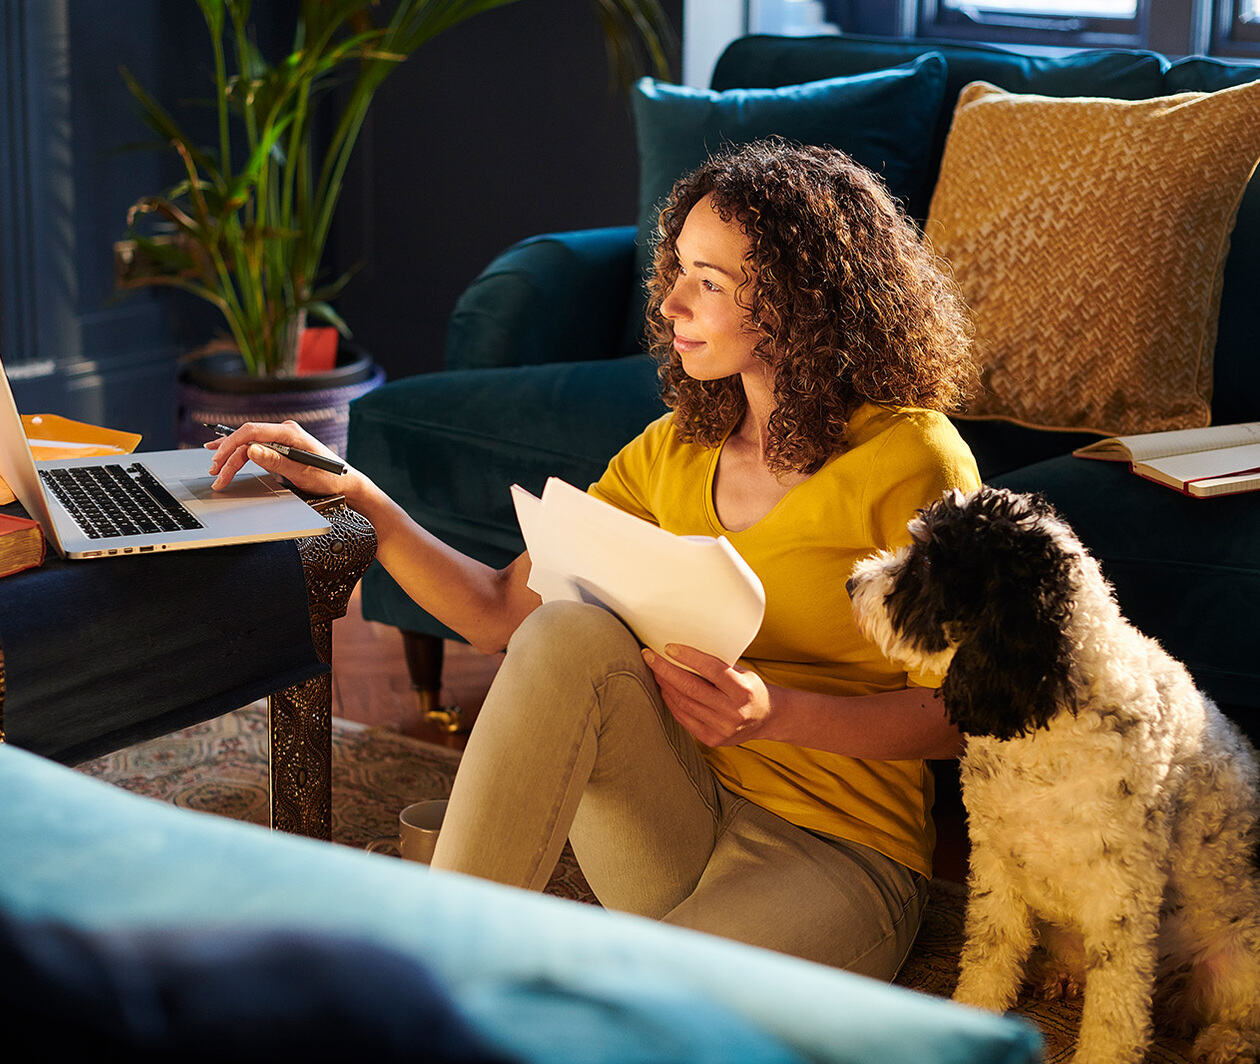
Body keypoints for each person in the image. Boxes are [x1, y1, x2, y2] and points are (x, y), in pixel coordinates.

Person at [207, 137, 981, 980]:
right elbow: (503, 613)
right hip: (680, 814)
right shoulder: (674, 450)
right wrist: (356, 495)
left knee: (619, 1005)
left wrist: (775, 714)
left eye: (709, 283)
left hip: (841, 851)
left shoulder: (915, 461)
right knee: (565, 634)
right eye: (676, 269)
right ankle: (427, 971)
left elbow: (961, 713)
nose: (672, 304)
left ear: (802, 301)